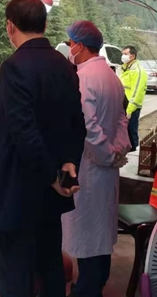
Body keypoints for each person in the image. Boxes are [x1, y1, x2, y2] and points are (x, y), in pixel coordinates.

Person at [0, 0, 87, 297]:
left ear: (10, 26)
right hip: (50, 196)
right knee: (50, 267)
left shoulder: (14, 66)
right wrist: (68, 163)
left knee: (16, 274)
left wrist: (51, 176)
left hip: (18, 193)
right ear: (44, 24)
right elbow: (77, 124)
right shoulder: (65, 66)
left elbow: (24, 133)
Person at [61, 21, 131, 297]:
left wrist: (106, 154)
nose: (69, 48)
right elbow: (122, 119)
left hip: (90, 168)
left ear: (79, 45)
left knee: (89, 238)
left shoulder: (83, 78)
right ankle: (94, 286)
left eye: (70, 43)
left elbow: (87, 126)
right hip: (106, 167)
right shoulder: (111, 76)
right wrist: (118, 150)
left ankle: (86, 290)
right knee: (100, 237)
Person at [120, 45, 147, 152]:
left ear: (133, 56)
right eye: (122, 54)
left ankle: (131, 151)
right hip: (123, 104)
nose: (123, 56)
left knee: (131, 132)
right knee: (123, 131)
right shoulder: (125, 69)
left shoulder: (138, 71)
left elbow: (137, 91)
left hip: (131, 106)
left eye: (125, 54)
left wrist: (129, 110)